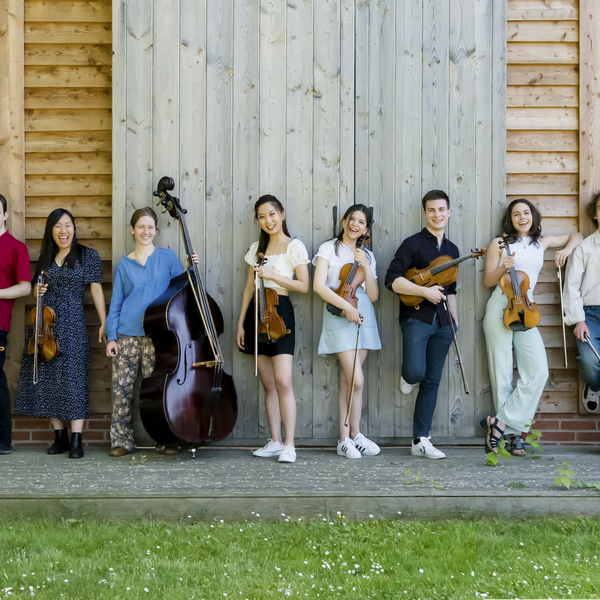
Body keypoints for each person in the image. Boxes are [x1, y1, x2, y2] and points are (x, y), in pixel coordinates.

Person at [481, 198, 582, 454]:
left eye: (526, 213)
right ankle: (513, 437)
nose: (522, 217)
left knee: (538, 371)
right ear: (510, 219)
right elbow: (487, 281)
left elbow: (577, 235)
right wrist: (503, 267)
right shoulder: (499, 244)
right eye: (516, 214)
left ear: (533, 217)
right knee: (502, 372)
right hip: (500, 307)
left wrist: (567, 250)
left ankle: (500, 422)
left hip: (527, 309)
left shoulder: (542, 243)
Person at [14, 208, 106, 459]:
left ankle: (77, 440)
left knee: (74, 380)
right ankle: (60, 437)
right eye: (57, 226)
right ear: (51, 231)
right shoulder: (46, 257)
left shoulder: (88, 255)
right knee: (47, 379)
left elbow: (96, 290)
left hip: (74, 325)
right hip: (45, 328)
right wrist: (37, 292)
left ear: (74, 229)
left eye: (67, 226)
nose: (63, 231)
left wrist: (104, 321)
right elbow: (35, 289)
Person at [106, 207, 197, 457]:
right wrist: (111, 336)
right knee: (121, 390)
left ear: (156, 230)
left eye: (150, 227)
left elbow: (181, 291)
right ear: (132, 229)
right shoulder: (124, 265)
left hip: (159, 336)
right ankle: (121, 441)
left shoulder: (167, 257)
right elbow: (116, 303)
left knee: (160, 391)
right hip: (127, 334)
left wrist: (189, 269)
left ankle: (168, 438)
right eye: (141, 226)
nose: (146, 231)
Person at [385, 190, 458, 460]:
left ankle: (420, 439)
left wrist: (455, 321)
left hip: (443, 323)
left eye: (442, 209)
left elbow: (451, 290)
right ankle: (407, 377)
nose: (437, 214)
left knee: (432, 381)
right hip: (417, 317)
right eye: (431, 210)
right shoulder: (412, 244)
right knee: (416, 372)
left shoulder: (452, 251)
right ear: (424, 213)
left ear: (448, 212)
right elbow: (391, 279)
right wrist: (426, 292)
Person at [237, 195, 310, 464]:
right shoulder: (257, 248)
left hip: (280, 313)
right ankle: (275, 442)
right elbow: (248, 288)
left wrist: (273, 276)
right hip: (256, 313)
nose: (268, 220)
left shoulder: (295, 246)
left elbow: (304, 286)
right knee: (268, 383)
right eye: (262, 216)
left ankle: (290, 444)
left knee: (283, 382)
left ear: (282, 214)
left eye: (272, 214)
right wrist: (240, 323)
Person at [313, 204, 382, 459]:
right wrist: (347, 308)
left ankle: (350, 437)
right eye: (352, 219)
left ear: (366, 228)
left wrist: (365, 264)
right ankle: (350, 435)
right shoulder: (328, 248)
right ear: (344, 222)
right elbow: (319, 286)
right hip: (340, 312)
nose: (356, 225)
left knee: (348, 379)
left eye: (361, 222)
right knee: (357, 379)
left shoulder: (368, 255)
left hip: (363, 314)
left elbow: (373, 295)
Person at [0, 194, 32, 455]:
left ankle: (3, 440)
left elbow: (25, 287)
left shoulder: (15, 247)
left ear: (5, 215)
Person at [563, 191, 600, 414]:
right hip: (589, 315)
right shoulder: (584, 248)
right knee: (589, 361)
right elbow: (571, 287)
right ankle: (594, 386)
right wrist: (579, 320)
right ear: (595, 214)